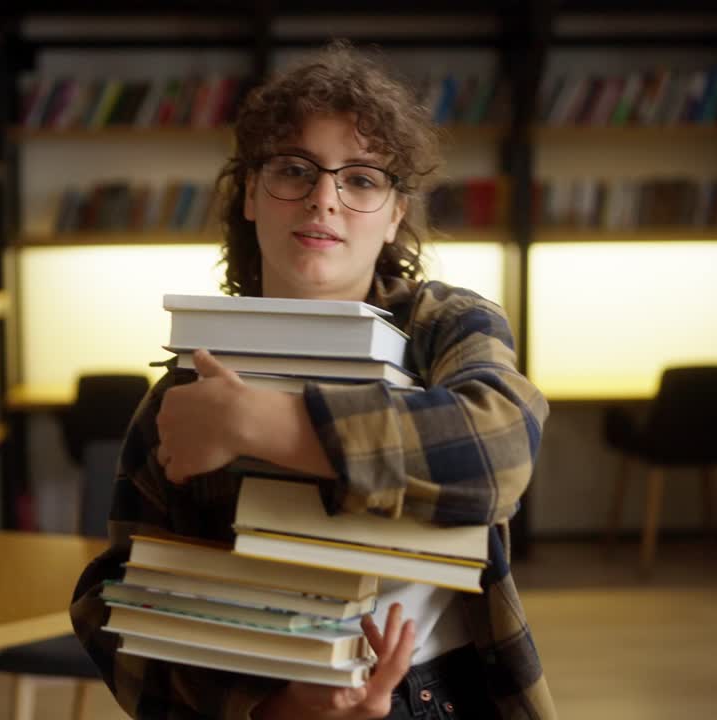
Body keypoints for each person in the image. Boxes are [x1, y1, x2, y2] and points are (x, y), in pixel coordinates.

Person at [70, 41, 555, 720]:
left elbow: (503, 449)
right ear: (249, 196)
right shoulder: (186, 389)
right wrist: (270, 707)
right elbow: (108, 599)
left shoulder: (449, 326)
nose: (324, 198)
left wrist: (258, 425)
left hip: (447, 693)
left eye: (360, 179)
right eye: (295, 170)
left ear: (394, 215)